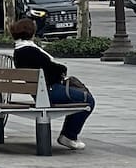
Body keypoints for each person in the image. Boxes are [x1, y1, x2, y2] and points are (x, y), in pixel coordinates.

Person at [11, 17, 95, 149]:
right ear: (31, 32)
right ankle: (69, 136)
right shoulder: (30, 51)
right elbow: (51, 69)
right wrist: (61, 69)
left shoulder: (19, 50)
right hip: (48, 91)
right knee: (87, 100)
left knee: (80, 97)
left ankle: (68, 135)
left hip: (40, 90)